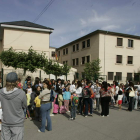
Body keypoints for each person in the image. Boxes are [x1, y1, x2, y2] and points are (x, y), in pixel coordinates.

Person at [0, 72, 27, 140]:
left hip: (6, 121)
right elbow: (25, 106)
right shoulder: (21, 93)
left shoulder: (1, 92)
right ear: (16, 81)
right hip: (17, 122)